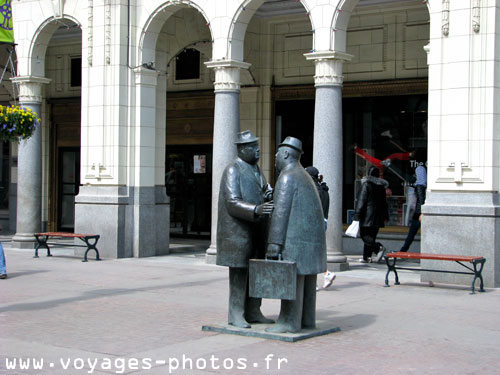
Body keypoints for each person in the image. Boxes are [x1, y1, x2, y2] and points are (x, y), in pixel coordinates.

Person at [265, 137, 327, 333]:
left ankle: (288, 322)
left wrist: (274, 243)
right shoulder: (305, 176)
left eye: (276, 154)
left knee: (291, 281)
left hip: (295, 242)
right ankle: (307, 320)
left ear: (285, 154)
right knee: (307, 283)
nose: (275, 158)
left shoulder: (287, 176)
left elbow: (280, 213)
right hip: (312, 244)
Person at [216, 130, 274, 328]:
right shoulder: (233, 170)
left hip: (257, 231)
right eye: (253, 148)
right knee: (239, 275)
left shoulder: (256, 169)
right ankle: (236, 314)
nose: (258, 151)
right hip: (239, 233)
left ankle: (254, 310)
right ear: (242, 150)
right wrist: (256, 209)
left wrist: (268, 195)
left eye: (258, 147)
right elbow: (232, 202)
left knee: (256, 273)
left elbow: (263, 192)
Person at [305, 166, 336, 290]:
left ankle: (318, 279)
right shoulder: (324, 190)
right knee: (315, 251)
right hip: (323, 221)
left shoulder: (313, 190)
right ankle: (326, 274)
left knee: (310, 252)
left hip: (315, 222)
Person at [353, 166, 389, 263]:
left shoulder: (366, 185)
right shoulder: (381, 187)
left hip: (367, 216)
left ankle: (378, 248)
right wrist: (385, 216)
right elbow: (384, 203)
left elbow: (361, 200)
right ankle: (367, 257)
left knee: (364, 236)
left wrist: (357, 215)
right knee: (371, 236)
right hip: (377, 216)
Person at [400, 158, 427, 252]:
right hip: (420, 211)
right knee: (412, 232)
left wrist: (421, 211)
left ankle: (403, 250)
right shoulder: (423, 185)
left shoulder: (420, 186)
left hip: (419, 212)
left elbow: (420, 198)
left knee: (412, 232)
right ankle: (403, 250)